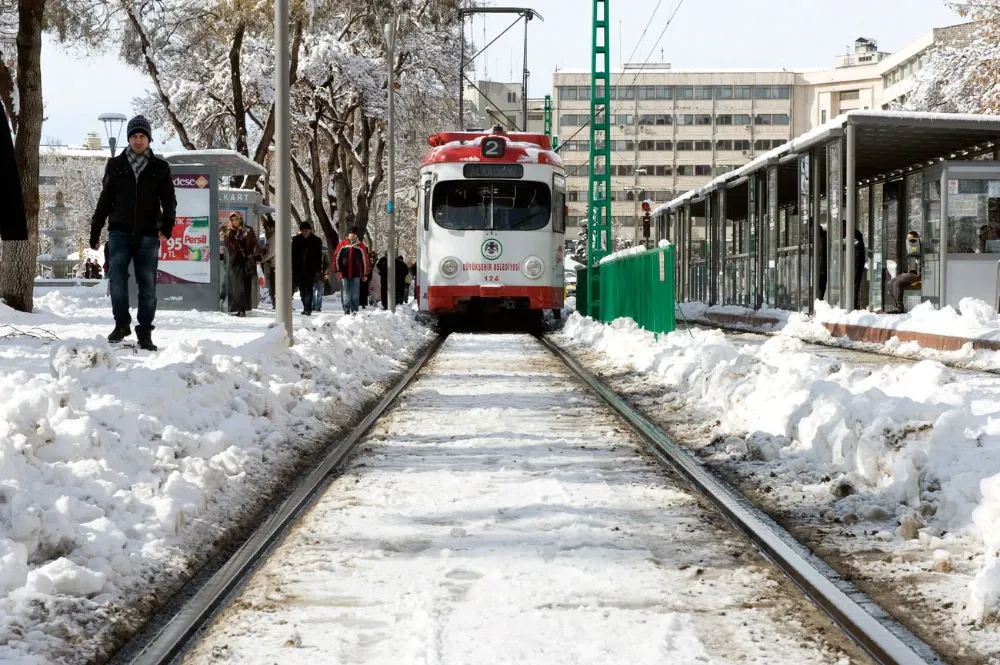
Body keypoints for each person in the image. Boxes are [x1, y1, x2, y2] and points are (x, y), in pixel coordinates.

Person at [89, 114, 177, 351]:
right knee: (116, 277)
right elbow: (105, 199)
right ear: (129, 139)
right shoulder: (115, 166)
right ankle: (121, 324)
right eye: (134, 136)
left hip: (149, 234)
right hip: (119, 231)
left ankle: (145, 331)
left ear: (148, 139)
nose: (138, 141)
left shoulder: (160, 168)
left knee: (147, 284)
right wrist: (96, 229)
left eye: (142, 136)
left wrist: (167, 226)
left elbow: (169, 200)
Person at [222, 211, 258, 317]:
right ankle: (238, 309)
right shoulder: (229, 231)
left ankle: (242, 309)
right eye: (232, 220)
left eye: (236, 219)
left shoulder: (248, 230)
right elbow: (228, 246)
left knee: (243, 286)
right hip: (234, 261)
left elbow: (254, 244)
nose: (234, 222)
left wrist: (257, 257)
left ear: (240, 219)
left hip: (245, 260)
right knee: (235, 286)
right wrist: (228, 235)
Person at [334, 226, 371, 314]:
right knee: (346, 292)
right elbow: (336, 258)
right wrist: (337, 270)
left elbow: (365, 260)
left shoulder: (360, 246)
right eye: (350, 233)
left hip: (356, 273)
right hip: (344, 273)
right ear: (348, 234)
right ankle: (346, 309)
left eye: (354, 233)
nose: (352, 235)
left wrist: (365, 274)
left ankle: (354, 310)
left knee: (355, 293)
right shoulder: (342, 244)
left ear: (356, 235)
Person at [885, 231, 922, 314]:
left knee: (897, 283)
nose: (908, 240)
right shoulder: (909, 249)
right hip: (910, 273)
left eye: (910, 239)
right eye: (907, 238)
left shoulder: (919, 248)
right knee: (890, 283)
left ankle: (899, 307)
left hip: (917, 274)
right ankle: (895, 306)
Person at [291, 221, 323, 315]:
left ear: (310, 230)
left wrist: (318, 269)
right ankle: (305, 305)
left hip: (311, 269)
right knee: (302, 291)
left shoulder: (316, 240)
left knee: (309, 289)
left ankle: (307, 308)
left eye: (307, 231)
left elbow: (319, 256)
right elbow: (292, 255)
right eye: (303, 231)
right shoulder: (296, 240)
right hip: (299, 269)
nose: (305, 233)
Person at [260, 218, 276, 307]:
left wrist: (261, 259)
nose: (266, 231)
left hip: (274, 266)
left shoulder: (273, 239)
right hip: (274, 265)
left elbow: (271, 253)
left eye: (267, 229)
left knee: (273, 287)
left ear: (272, 228)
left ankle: (276, 304)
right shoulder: (275, 238)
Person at [313, 244, 330, 312]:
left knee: (319, 292)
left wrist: (326, 273)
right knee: (312, 292)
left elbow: (327, 265)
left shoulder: (323, 255)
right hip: (312, 276)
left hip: (321, 276)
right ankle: (313, 306)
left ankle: (318, 306)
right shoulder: (310, 255)